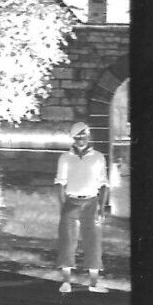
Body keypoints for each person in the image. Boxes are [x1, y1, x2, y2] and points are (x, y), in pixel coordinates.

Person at [55, 123, 110, 293]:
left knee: (93, 241)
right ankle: (66, 282)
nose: (80, 140)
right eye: (77, 137)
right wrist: (62, 204)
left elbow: (104, 184)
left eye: (83, 136)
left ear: (89, 136)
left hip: (91, 203)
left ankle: (93, 283)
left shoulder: (98, 157)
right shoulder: (65, 158)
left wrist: (101, 208)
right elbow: (60, 182)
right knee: (67, 242)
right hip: (71, 202)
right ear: (73, 138)